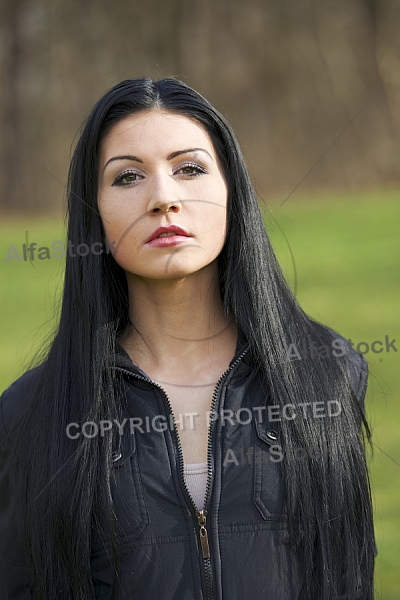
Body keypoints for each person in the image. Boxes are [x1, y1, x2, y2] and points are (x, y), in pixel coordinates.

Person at [0, 78, 376, 599]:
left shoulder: (324, 374)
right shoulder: (31, 414)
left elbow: (348, 577)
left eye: (190, 169)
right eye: (128, 177)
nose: (163, 198)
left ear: (232, 191)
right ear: (95, 215)